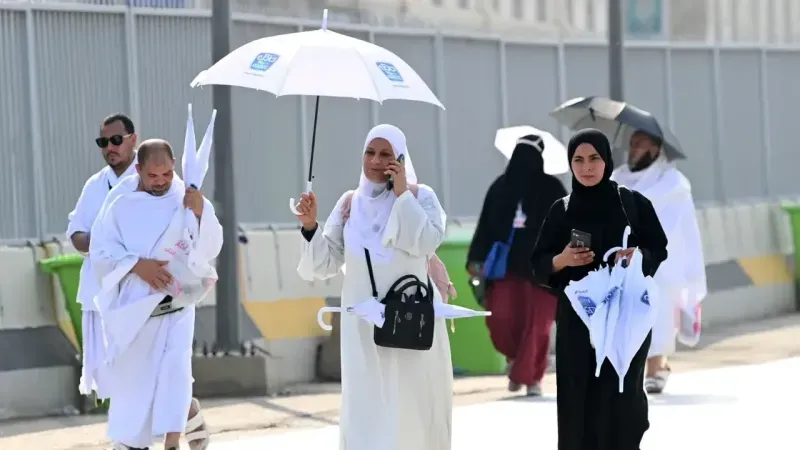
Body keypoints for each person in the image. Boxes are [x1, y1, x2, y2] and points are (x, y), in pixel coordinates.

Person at [295, 124, 453, 450]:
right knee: (367, 411)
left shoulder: (421, 197)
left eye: (386, 154)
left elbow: (425, 242)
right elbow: (323, 264)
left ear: (401, 159)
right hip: (364, 330)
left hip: (411, 324)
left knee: (412, 410)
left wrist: (402, 195)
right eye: (370, 153)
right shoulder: (349, 203)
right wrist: (310, 226)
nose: (376, 161)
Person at [531, 129, 668, 450]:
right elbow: (538, 263)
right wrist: (562, 260)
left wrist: (638, 256)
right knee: (579, 399)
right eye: (578, 160)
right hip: (579, 321)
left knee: (624, 398)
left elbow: (658, 248)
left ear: (606, 160)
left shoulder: (632, 204)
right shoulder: (562, 210)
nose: (586, 167)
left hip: (625, 318)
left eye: (594, 158)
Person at [90, 139, 217, 450]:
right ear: (138, 170)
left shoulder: (187, 196)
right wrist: (137, 265)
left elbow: (209, 243)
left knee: (175, 368)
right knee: (138, 379)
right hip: (137, 306)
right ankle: (140, 437)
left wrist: (201, 212)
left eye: (167, 174)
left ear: (174, 167)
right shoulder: (119, 203)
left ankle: (172, 441)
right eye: (153, 176)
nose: (161, 181)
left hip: (178, 302)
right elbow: (101, 251)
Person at [467, 134, 567, 396]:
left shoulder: (553, 189)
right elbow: (485, 226)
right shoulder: (500, 188)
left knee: (538, 325)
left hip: (542, 269)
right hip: (506, 269)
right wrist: (475, 259)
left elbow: (566, 226)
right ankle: (516, 362)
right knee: (501, 319)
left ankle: (532, 378)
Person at [611, 130, 707, 394]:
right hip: (625, 261)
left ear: (655, 149)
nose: (633, 150)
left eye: (640, 145)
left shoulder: (673, 184)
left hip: (661, 265)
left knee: (659, 316)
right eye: (632, 144)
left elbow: (679, 229)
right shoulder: (617, 179)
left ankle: (656, 367)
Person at [66, 113, 139, 401]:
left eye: (116, 140)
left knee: (146, 371)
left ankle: (184, 412)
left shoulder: (153, 177)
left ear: (133, 140)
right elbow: (75, 232)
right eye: (103, 142)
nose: (110, 147)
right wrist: (98, 243)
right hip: (100, 291)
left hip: (140, 291)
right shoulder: (95, 185)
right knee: (110, 377)